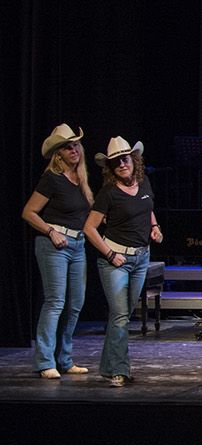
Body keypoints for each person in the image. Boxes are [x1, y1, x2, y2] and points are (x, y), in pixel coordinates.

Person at [83, 137, 162, 388]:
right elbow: (90, 228)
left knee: (124, 315)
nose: (122, 165)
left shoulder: (144, 182)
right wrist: (109, 254)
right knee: (119, 316)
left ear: (133, 160)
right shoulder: (108, 192)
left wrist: (155, 226)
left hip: (141, 257)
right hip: (115, 260)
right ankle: (119, 370)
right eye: (116, 163)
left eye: (125, 159)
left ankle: (109, 366)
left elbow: (147, 207)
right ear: (111, 167)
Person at [22, 124, 94, 379]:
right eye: (66, 146)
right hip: (54, 245)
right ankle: (44, 361)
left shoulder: (81, 180)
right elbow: (29, 212)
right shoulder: (51, 178)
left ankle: (64, 358)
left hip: (78, 245)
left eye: (75, 145)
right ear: (58, 154)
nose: (73, 149)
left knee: (75, 305)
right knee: (55, 302)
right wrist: (51, 232)